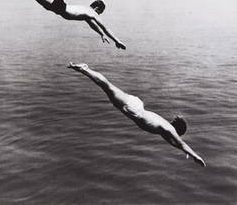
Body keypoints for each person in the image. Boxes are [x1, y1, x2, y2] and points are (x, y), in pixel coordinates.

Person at [67, 62, 206, 167]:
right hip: (134, 108)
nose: (174, 138)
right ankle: (85, 69)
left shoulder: (164, 129)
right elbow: (181, 144)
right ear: (177, 131)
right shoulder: (169, 130)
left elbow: (174, 143)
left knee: (108, 87)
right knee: (106, 86)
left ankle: (86, 70)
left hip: (136, 105)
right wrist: (195, 156)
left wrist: (185, 152)